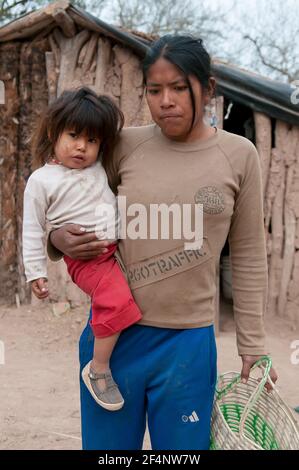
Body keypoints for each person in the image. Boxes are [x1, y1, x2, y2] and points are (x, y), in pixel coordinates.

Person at [47, 35, 278, 450]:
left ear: (207, 89)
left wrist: (253, 345)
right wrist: (55, 236)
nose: (165, 100)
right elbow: (65, 192)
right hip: (115, 339)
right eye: (154, 90)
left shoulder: (239, 155)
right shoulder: (122, 145)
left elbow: (246, 254)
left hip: (187, 345)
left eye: (178, 88)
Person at [22, 87, 142, 412]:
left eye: (91, 141)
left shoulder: (98, 167)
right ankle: (98, 368)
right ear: (53, 132)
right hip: (87, 260)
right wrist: (36, 271)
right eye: (73, 135)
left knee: (127, 296)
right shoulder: (42, 180)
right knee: (115, 302)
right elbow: (32, 228)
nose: (81, 147)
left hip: (115, 250)